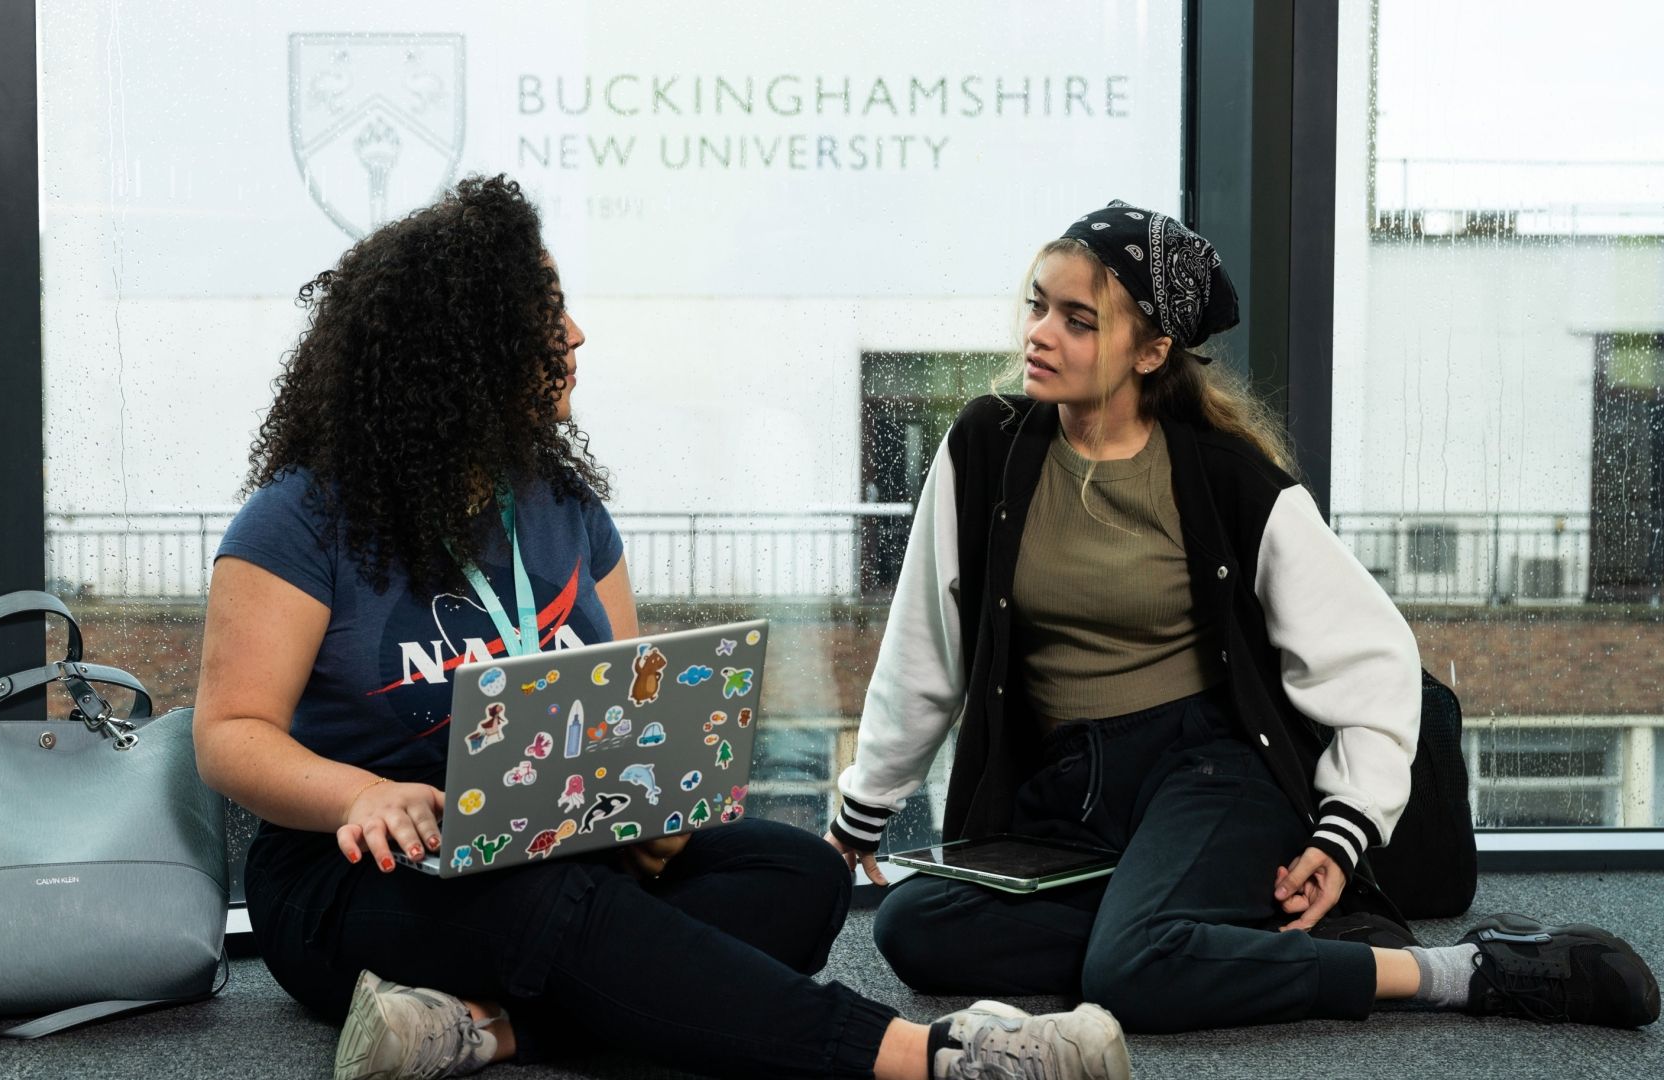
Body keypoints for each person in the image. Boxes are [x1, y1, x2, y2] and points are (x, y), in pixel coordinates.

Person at [191, 175, 1134, 1080]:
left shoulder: (563, 507)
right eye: (543, 315)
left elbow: (618, 711)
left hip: (544, 842)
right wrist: (359, 795)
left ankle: (482, 1033)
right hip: (354, 879)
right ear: (462, 348)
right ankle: (932, 1056)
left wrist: (648, 817)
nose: (575, 334)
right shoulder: (300, 520)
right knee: (556, 908)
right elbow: (230, 737)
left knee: (797, 877)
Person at [827, 200, 1661, 1034]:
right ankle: (1177, 930)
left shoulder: (1227, 478)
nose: (1040, 334)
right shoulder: (985, 446)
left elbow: (1373, 659)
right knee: (915, 929)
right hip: (1066, 789)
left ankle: (1451, 972)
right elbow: (926, 641)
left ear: (1152, 352)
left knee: (1131, 977)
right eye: (1038, 305)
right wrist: (867, 800)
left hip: (1207, 769)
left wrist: (1343, 834)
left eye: (1079, 321)